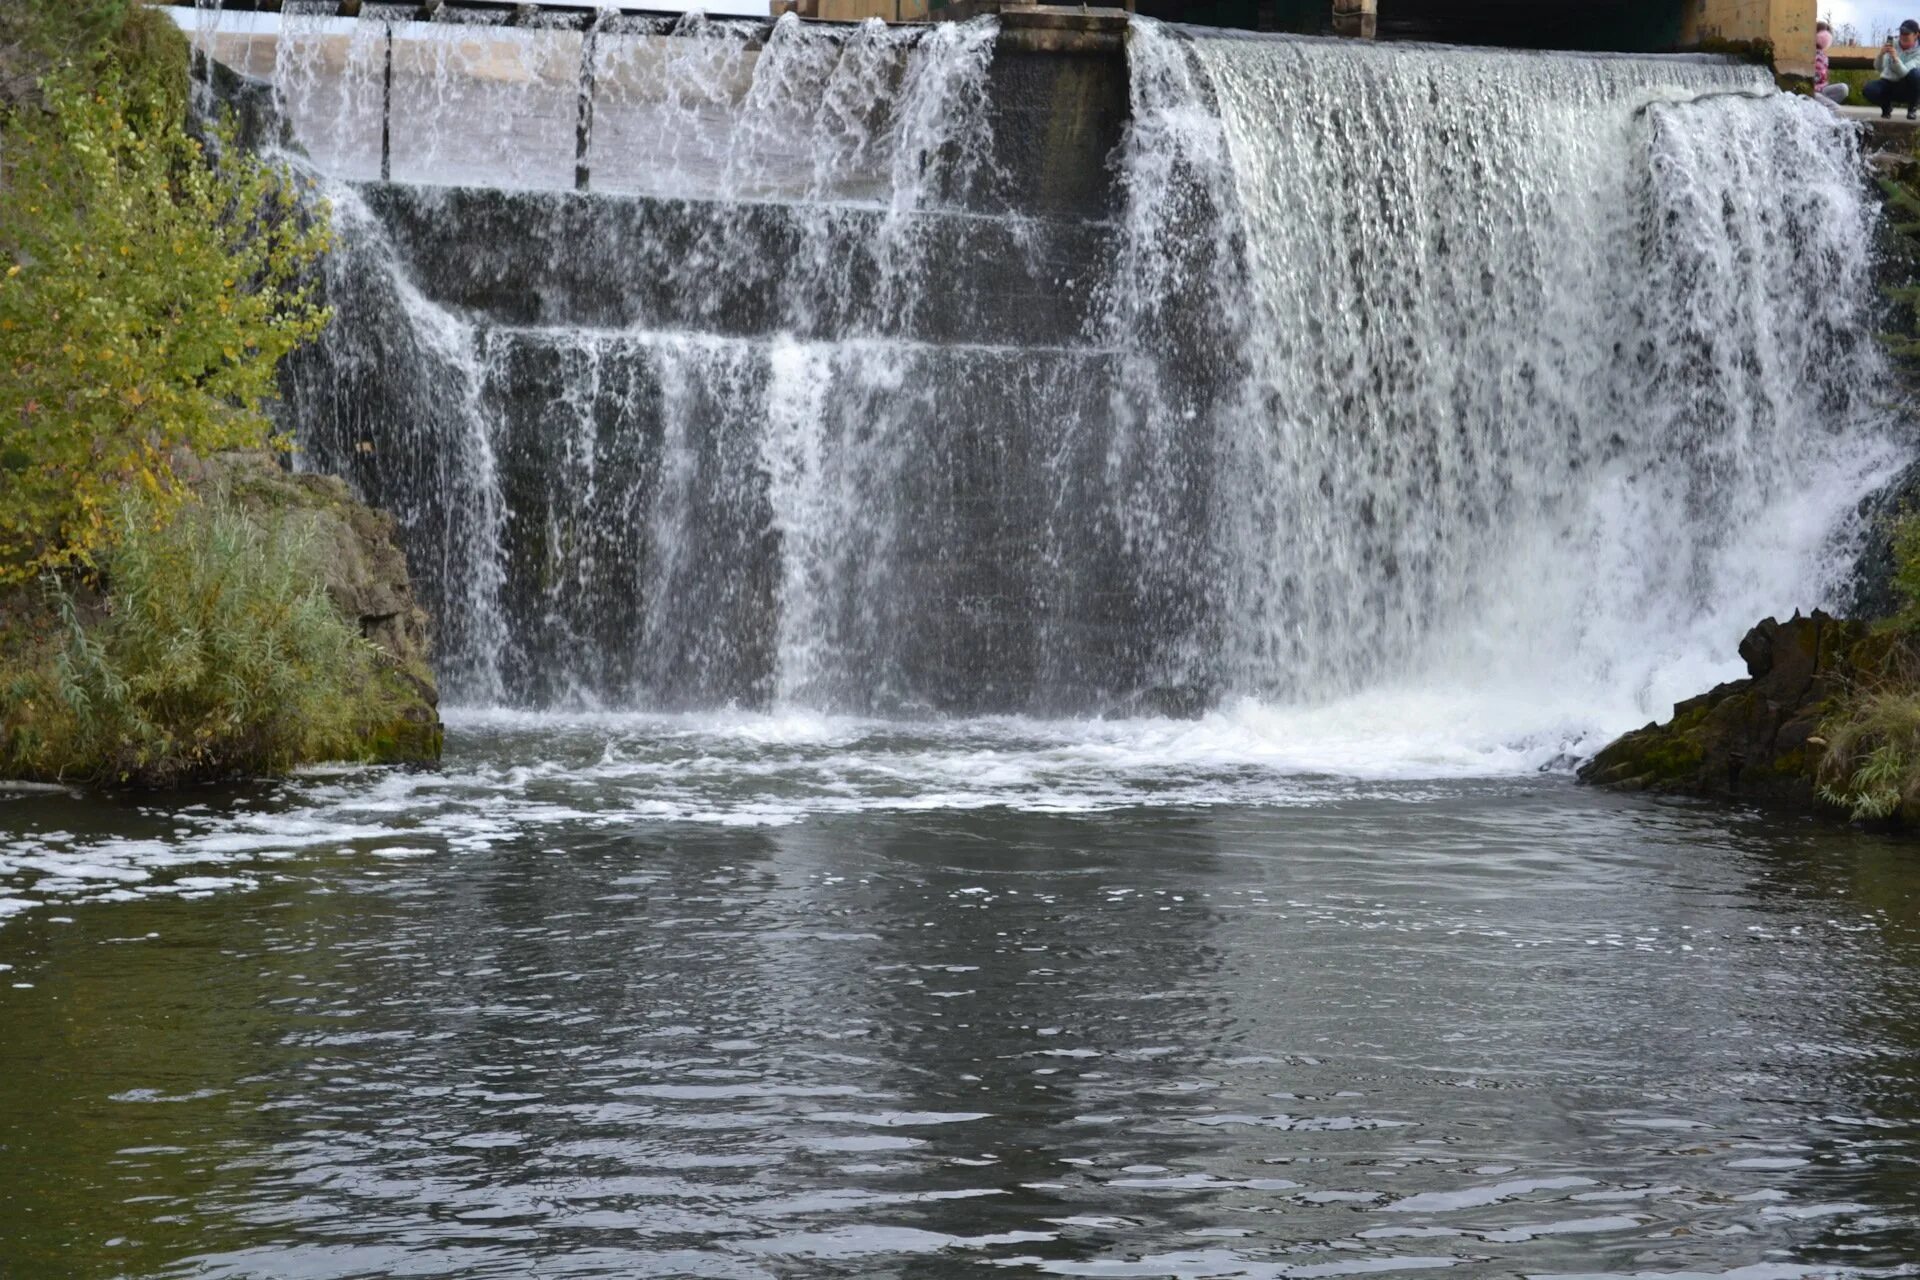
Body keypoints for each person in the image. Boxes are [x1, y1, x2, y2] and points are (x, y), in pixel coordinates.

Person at [1863, 19, 1920, 119]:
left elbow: (1905, 73)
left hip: (1907, 87)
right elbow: (1878, 68)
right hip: (1889, 83)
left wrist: (1895, 59)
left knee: (1915, 74)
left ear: (1916, 35)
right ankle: (1886, 107)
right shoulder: (1893, 43)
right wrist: (1881, 54)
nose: (1903, 36)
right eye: (1901, 32)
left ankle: (1912, 109)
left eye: (1907, 33)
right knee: (1869, 89)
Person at [1815, 21, 1850, 103]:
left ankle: (1822, 107)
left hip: (1822, 91)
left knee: (1843, 88)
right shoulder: (1807, 53)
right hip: (1812, 92)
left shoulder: (1824, 57)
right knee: (1835, 109)